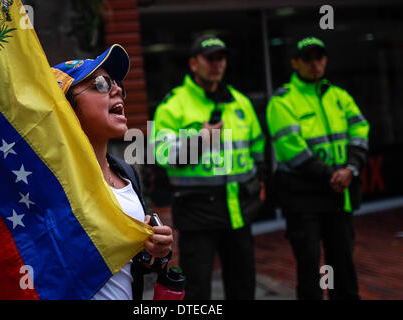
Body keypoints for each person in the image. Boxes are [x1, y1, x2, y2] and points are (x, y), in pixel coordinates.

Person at [51, 44, 173, 300]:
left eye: (117, 85)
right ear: (66, 108)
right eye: (101, 84)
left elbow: (127, 265)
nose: (118, 89)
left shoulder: (126, 171)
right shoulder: (50, 179)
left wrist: (153, 251)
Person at [151, 35, 266, 300]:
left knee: (243, 286)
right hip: (198, 214)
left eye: (221, 58)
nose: (217, 64)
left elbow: (257, 146)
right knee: (196, 291)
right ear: (193, 63)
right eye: (210, 58)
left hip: (239, 212)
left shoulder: (240, 102)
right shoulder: (173, 105)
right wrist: (200, 141)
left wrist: (260, 182)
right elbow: (161, 154)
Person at [266, 36, 370, 300]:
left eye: (319, 58)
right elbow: (291, 147)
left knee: (342, 263)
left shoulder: (339, 96)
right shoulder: (282, 100)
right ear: (295, 63)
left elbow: (360, 128)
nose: (315, 64)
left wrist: (351, 167)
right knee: (310, 267)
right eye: (308, 59)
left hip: (338, 194)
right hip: (304, 198)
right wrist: (332, 174)